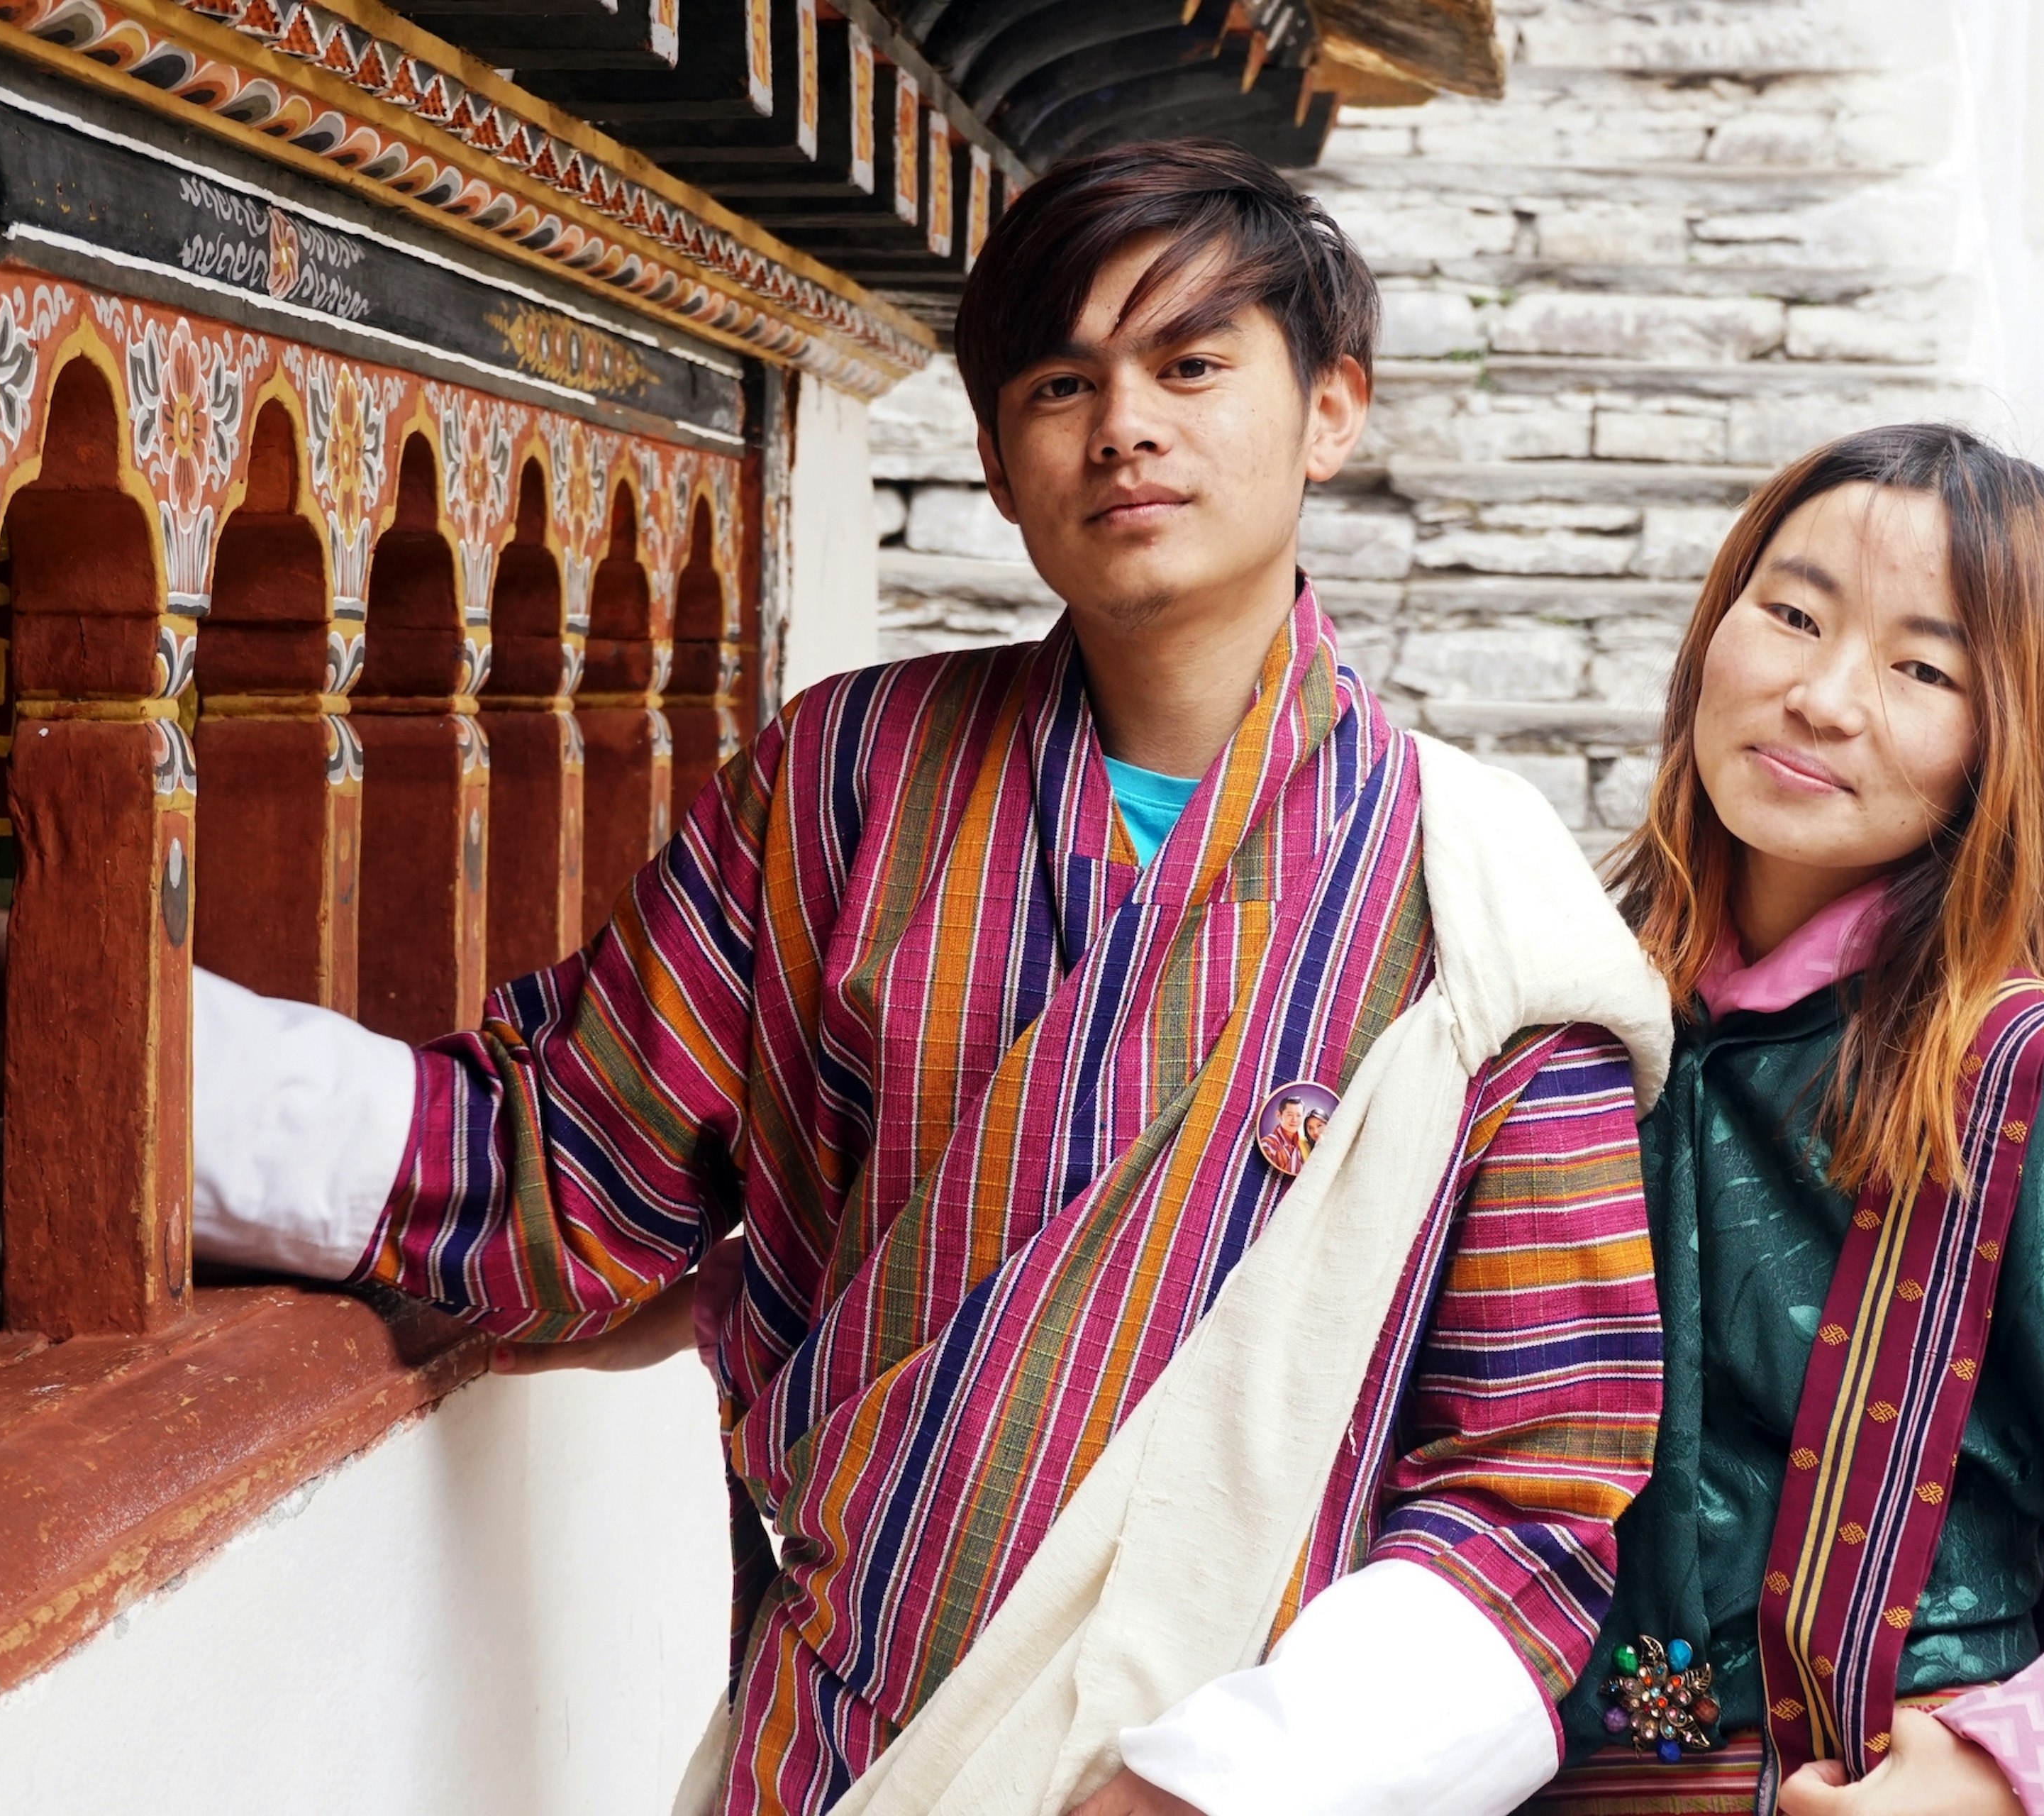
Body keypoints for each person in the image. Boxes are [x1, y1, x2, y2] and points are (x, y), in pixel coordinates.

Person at [191, 141, 1679, 1816]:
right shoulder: (849, 781)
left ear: (1331, 407)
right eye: (1064, 382)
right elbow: (565, 1158)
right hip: (846, 1731)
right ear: (993, 454)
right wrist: (117, 1071)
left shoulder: (1474, 897)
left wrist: (1220, 1789)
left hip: (1213, 1767)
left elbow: (1531, 1480)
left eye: (1192, 364)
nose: (1126, 424)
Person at [1530, 426, 2044, 1816]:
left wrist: (1977, 1778)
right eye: (1790, 613)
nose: (1821, 695)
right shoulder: (1551, 1022)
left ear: (2006, 738)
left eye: (1921, 666)